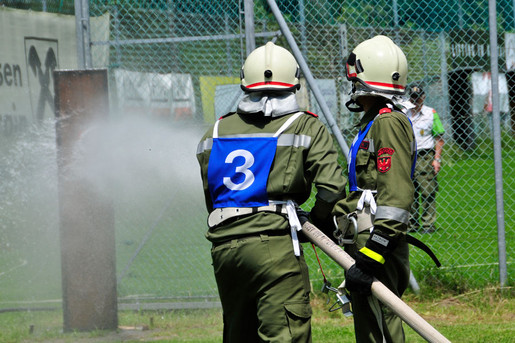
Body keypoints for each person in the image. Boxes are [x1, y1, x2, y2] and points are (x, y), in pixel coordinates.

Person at [196, 41, 346, 342]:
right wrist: (313, 225)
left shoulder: (214, 131)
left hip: (225, 250)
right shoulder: (305, 126)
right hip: (275, 246)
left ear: (244, 82)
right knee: (285, 335)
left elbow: (212, 199)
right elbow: (332, 189)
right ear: (294, 82)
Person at [333, 35, 416, 343]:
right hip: (367, 233)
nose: (352, 86)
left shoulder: (387, 123)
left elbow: (395, 193)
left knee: (382, 318)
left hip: (376, 237)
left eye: (355, 79)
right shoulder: (375, 122)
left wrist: (374, 251)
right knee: (370, 316)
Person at [405, 85, 445, 234]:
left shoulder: (430, 113)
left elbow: (439, 137)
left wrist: (437, 159)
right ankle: (412, 223)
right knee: (410, 191)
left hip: (424, 156)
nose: (416, 101)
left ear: (423, 97)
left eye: (418, 97)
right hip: (408, 155)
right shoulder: (404, 113)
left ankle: (428, 224)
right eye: (413, 98)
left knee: (427, 190)